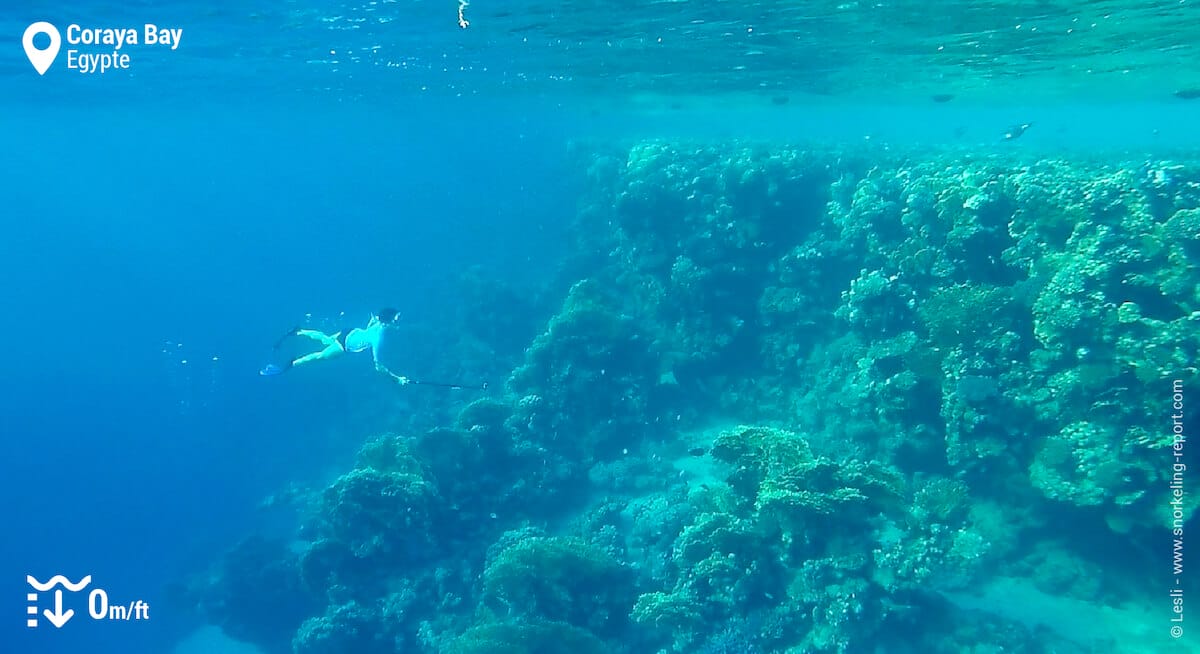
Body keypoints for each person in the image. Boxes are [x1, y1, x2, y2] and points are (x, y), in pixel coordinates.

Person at [260, 308, 409, 384]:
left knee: (325, 338)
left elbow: (375, 319)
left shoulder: (378, 321)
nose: (398, 322)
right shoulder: (378, 337)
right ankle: (290, 364)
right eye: (396, 320)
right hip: (345, 346)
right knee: (320, 356)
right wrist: (397, 378)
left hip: (350, 331)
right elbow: (378, 366)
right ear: (388, 321)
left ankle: (299, 331)